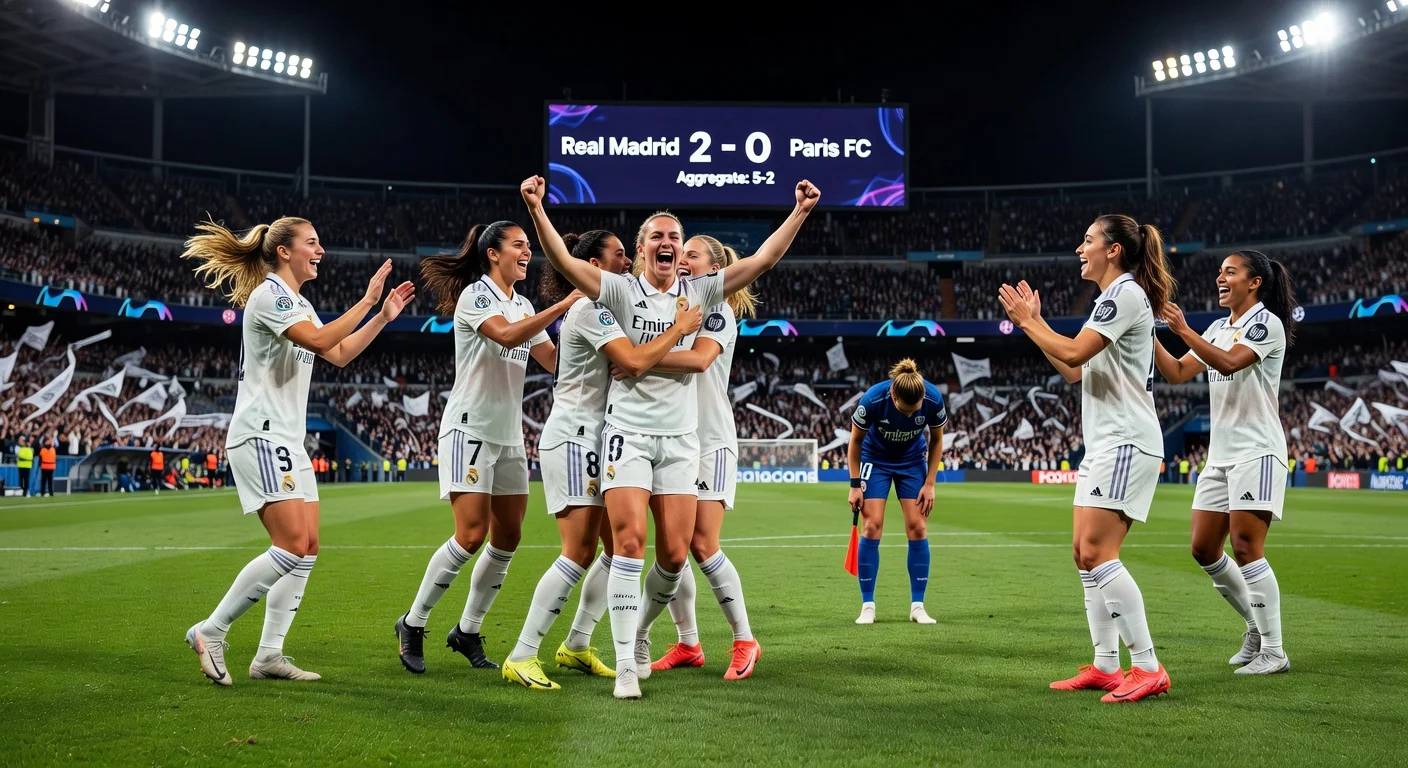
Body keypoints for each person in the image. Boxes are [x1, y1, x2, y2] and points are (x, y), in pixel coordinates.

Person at [522, 174, 820, 699]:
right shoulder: (617, 289)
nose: (666, 243)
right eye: (656, 236)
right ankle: (627, 663)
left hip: (684, 441)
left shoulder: (703, 293)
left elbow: (762, 262)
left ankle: (646, 636)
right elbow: (566, 264)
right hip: (628, 435)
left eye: (673, 237)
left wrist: (798, 212)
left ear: (681, 250)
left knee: (677, 555)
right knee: (629, 545)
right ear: (640, 250)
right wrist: (537, 209)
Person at [180, 216, 415, 686]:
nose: (321, 249)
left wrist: (382, 319)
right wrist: (367, 300)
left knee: (306, 549)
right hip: (262, 435)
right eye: (312, 242)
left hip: (288, 439)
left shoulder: (298, 302)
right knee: (289, 546)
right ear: (284, 251)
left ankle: (269, 655)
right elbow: (320, 339)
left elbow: (340, 353)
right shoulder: (271, 295)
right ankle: (212, 629)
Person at [499, 230, 702, 690]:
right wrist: (677, 331)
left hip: (597, 435)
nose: (628, 261)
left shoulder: (602, 308)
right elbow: (631, 363)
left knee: (616, 551)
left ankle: (576, 643)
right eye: (619, 255)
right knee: (578, 552)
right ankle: (523, 652)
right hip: (576, 438)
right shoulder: (593, 309)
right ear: (593, 265)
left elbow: (558, 363)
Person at [996, 214, 1176, 704]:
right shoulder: (1109, 301)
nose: (1080, 248)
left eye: (1088, 240)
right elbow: (1076, 369)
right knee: (1083, 554)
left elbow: (1074, 355)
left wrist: (1032, 322)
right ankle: (1104, 665)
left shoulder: (1125, 295)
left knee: (1100, 553)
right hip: (1104, 444)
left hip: (1125, 442)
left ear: (1113, 250)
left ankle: (1147, 666)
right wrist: (1033, 327)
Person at [394, 220, 578, 675]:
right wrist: (568, 302)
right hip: (468, 429)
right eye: (519, 245)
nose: (527, 253)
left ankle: (468, 630)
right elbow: (506, 335)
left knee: (508, 537)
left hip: (509, 435)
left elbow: (551, 360)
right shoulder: (479, 296)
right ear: (492, 253)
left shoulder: (524, 303)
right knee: (471, 534)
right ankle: (413, 623)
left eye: (528, 246)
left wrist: (589, 334)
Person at [1153, 249, 1296, 675]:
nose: (1221, 278)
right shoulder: (1217, 328)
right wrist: (1148, 334)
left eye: (1230, 272)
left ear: (1254, 283)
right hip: (1221, 456)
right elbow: (1178, 372)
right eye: (1220, 272)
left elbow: (1233, 363)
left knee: (1247, 547)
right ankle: (1254, 623)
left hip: (1258, 449)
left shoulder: (1265, 323)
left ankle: (1273, 649)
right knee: (1203, 547)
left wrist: (1182, 328)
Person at [646, 234, 765, 680]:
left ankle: (744, 639)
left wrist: (636, 360)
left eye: (691, 255)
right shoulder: (669, 308)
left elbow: (697, 361)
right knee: (671, 546)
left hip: (710, 442)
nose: (681, 259)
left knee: (701, 544)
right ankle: (688, 643)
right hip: (672, 440)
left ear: (713, 269)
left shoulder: (718, 313)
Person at [842, 359, 947, 626]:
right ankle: (868, 605)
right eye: (905, 410)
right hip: (875, 459)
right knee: (872, 525)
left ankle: (918, 606)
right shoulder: (873, 399)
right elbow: (855, 442)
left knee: (918, 527)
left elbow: (936, 440)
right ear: (893, 396)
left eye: (916, 411)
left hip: (912, 461)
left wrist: (930, 483)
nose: (912, 415)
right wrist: (854, 485)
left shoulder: (933, 398)